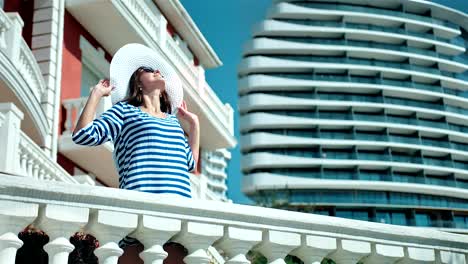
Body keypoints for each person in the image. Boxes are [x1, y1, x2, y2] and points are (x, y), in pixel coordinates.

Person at [72, 43, 199, 249]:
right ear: (138, 83)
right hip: (139, 209)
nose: (157, 72)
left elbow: (190, 163)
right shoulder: (124, 110)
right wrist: (95, 95)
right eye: (149, 71)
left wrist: (194, 125)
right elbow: (83, 135)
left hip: (178, 211)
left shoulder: (173, 121)